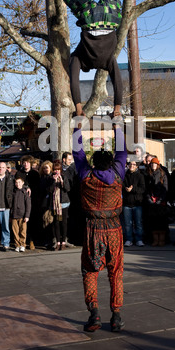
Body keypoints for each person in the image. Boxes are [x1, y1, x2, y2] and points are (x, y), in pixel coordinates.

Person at [30, 0, 128, 118]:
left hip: (110, 19)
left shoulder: (108, 61)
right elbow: (74, 81)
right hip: (89, 17)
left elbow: (118, 83)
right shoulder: (77, 59)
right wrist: (79, 108)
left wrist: (117, 108)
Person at [72, 123, 127, 333]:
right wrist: (117, 128)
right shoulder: (118, 173)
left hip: (93, 228)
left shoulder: (86, 174)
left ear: (94, 162)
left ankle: (94, 312)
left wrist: (78, 130)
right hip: (114, 227)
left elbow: (77, 151)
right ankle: (116, 315)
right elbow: (122, 150)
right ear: (111, 162)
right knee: (116, 271)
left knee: (90, 271)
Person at [16, 155, 41, 250]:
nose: (26, 164)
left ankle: (31, 240)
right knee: (22, 222)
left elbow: (38, 187)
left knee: (32, 222)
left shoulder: (35, 174)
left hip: (33, 201)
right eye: (24, 162)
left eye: (27, 162)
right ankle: (22, 241)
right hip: (21, 202)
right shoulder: (19, 173)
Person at [145, 158, 169, 246]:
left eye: (155, 164)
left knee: (161, 222)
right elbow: (146, 188)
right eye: (152, 164)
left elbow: (165, 188)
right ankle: (155, 240)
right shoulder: (148, 174)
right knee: (153, 222)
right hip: (152, 201)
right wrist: (149, 198)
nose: (153, 165)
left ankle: (162, 240)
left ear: (158, 165)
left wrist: (160, 199)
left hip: (161, 202)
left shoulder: (163, 174)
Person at [122, 160, 145, 247]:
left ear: (136, 166)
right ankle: (129, 239)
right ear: (128, 166)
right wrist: (126, 189)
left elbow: (142, 189)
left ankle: (139, 239)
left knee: (138, 223)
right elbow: (121, 186)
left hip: (137, 203)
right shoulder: (124, 176)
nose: (132, 165)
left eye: (134, 164)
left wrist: (133, 189)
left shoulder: (140, 176)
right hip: (127, 203)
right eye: (130, 164)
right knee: (128, 224)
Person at [0, 162, 14, 251]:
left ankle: (5, 243)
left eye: (3, 167)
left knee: (5, 227)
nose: (1, 169)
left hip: (6, 206)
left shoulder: (10, 178)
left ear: (6, 169)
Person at [49, 159, 71, 251]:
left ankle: (63, 242)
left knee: (64, 223)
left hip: (64, 203)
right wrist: (53, 182)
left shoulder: (64, 176)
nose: (56, 171)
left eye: (58, 169)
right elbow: (49, 190)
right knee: (56, 223)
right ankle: (57, 242)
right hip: (54, 203)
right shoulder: (50, 178)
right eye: (55, 169)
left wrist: (62, 182)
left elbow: (67, 189)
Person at [11, 176, 31, 252]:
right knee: (15, 231)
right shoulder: (13, 192)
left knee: (23, 231)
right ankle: (17, 245)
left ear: (23, 183)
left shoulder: (25, 192)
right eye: (16, 182)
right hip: (14, 215)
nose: (18, 184)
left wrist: (27, 216)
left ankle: (23, 244)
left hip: (22, 215)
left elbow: (28, 205)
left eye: (19, 182)